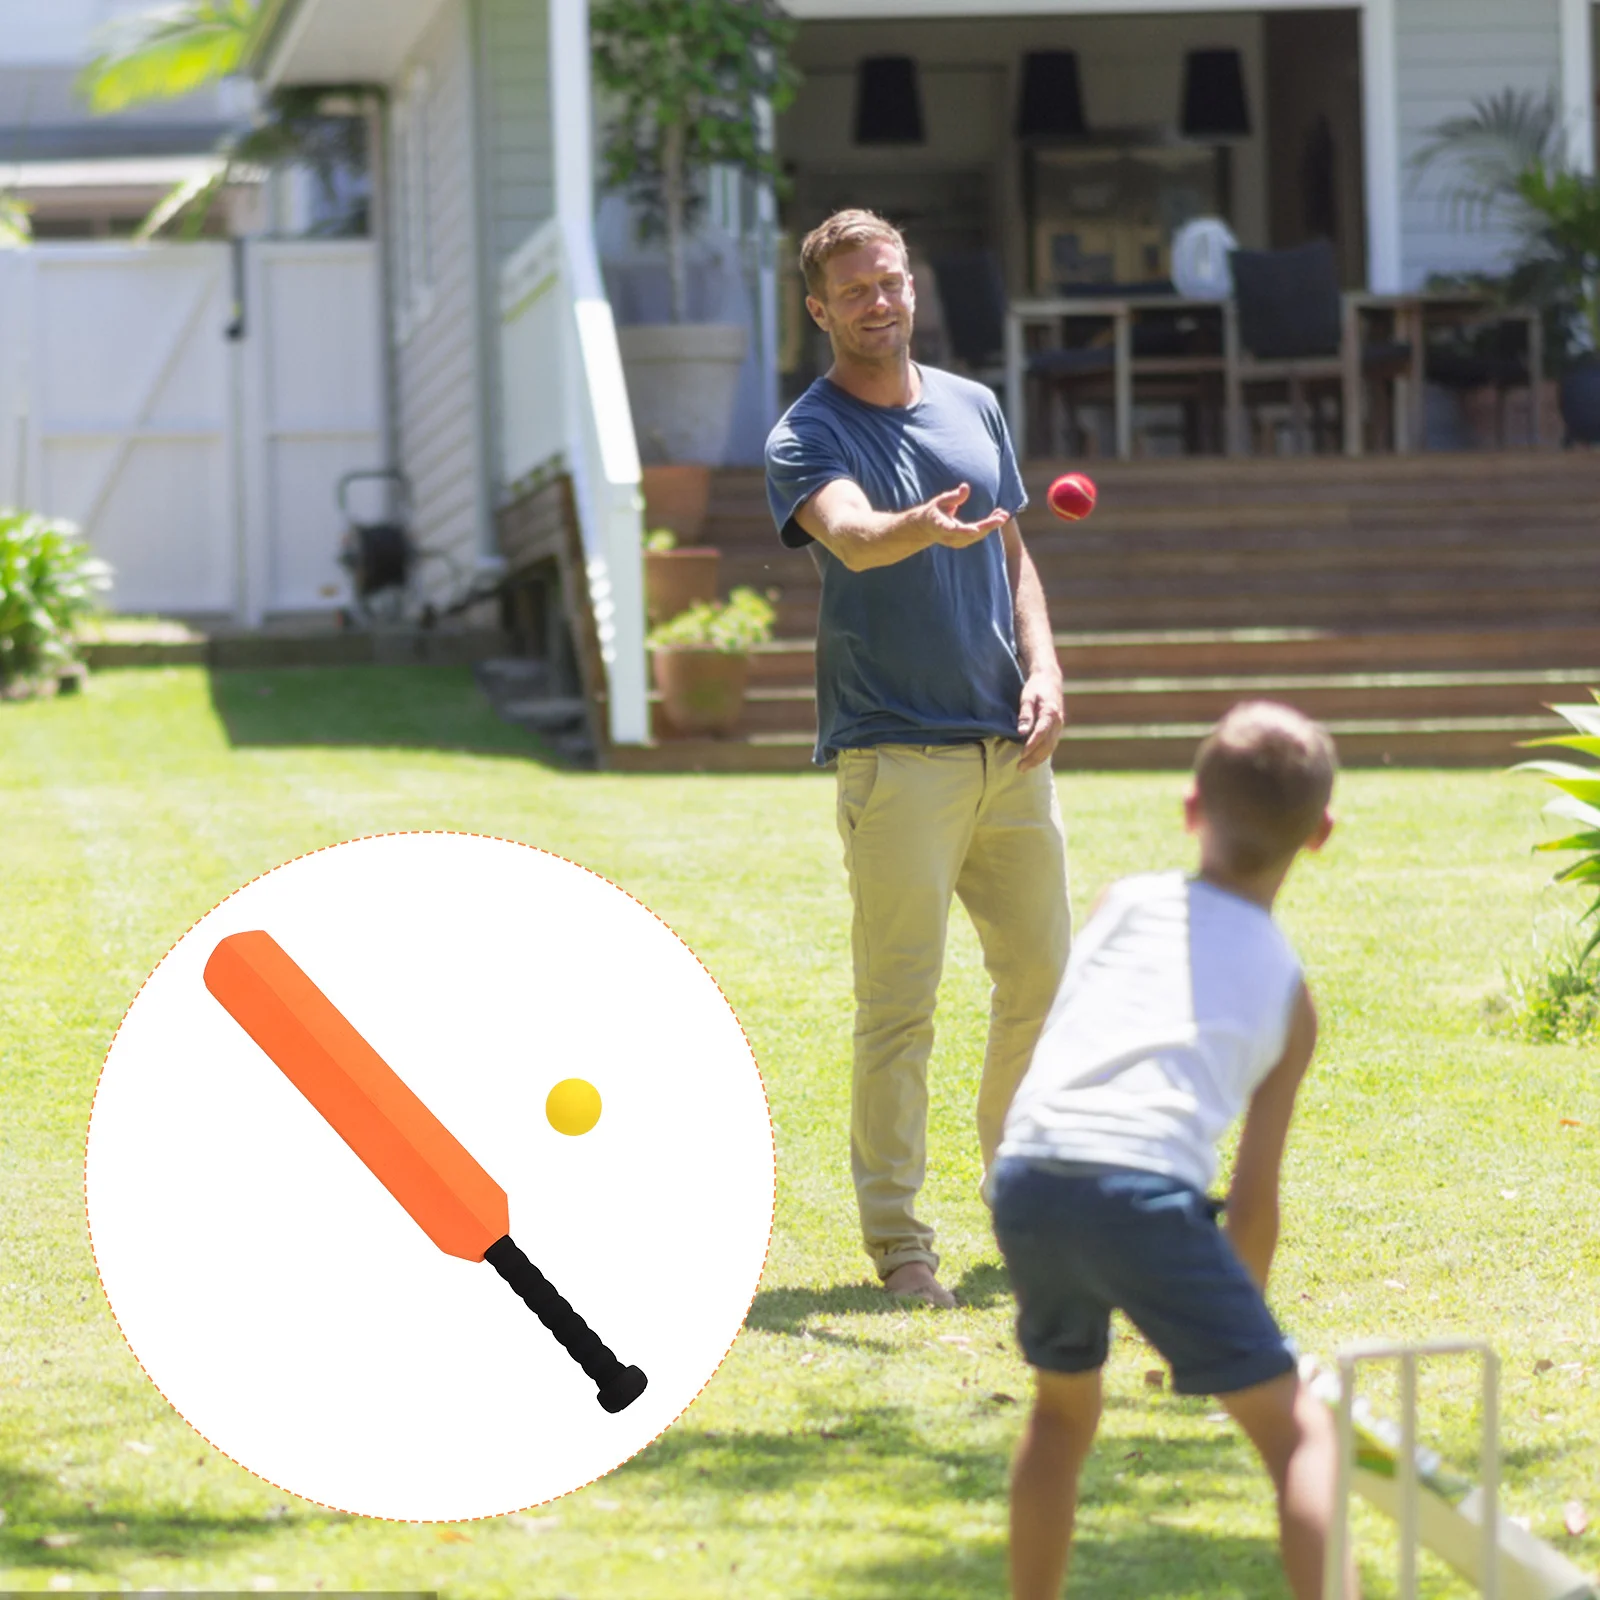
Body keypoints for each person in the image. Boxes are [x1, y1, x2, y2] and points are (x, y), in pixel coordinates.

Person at [764, 208, 1072, 1310]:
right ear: (819, 309)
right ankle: (901, 1245)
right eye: (853, 292)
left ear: (911, 283)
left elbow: (1015, 553)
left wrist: (1046, 667)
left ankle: (1024, 1203)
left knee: (1042, 981)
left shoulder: (973, 404)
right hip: (896, 755)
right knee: (900, 1007)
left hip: (1009, 750)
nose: (878, 303)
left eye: (890, 282)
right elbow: (849, 534)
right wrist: (917, 529)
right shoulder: (806, 432)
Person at [991, 701, 1353, 1600]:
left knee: (1061, 1413)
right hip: (1140, 1192)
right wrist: (1242, 1322)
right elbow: (1254, 1197)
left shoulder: (1119, 904)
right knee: (1301, 1436)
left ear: (1191, 809)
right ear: (1321, 833)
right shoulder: (1290, 997)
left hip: (1028, 1176)